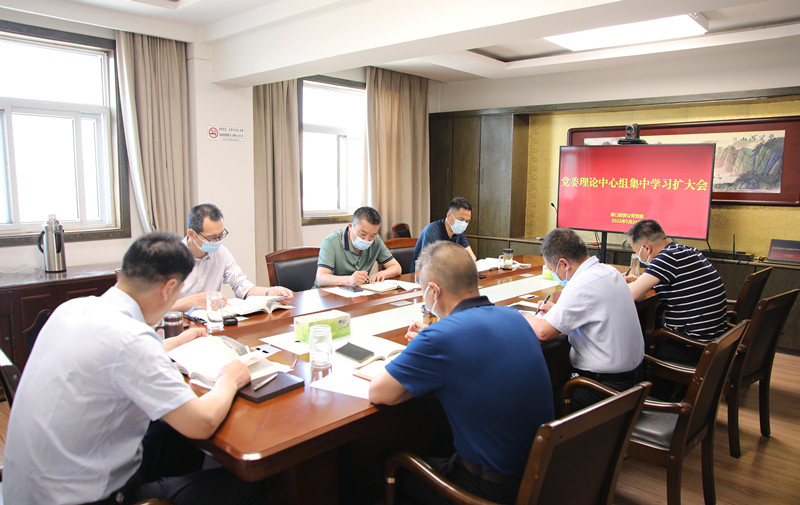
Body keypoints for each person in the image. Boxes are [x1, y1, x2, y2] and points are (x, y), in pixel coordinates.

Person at [3, 232, 267, 505]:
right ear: (168, 288)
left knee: (173, 435)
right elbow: (202, 423)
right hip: (85, 498)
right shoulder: (132, 340)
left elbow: (112, 357)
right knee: (256, 485)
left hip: (34, 487)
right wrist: (229, 379)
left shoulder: (73, 309)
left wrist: (176, 342)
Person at [370, 241, 553, 505]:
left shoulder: (439, 337)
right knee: (440, 438)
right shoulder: (515, 317)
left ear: (433, 290)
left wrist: (425, 346)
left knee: (382, 463)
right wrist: (432, 342)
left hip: (487, 491)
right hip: (540, 475)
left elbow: (379, 393)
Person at [523, 228, 643, 411]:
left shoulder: (581, 285)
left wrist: (523, 315)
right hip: (632, 382)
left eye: (551, 269)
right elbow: (593, 311)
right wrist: (557, 311)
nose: (554, 274)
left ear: (563, 263)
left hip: (601, 390)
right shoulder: (609, 271)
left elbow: (543, 332)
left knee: (533, 403)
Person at [625, 219, 728, 364]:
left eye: (636, 252)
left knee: (632, 343)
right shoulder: (687, 251)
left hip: (691, 346)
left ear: (646, 248)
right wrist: (640, 281)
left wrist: (621, 283)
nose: (638, 256)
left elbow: (632, 295)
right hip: (715, 341)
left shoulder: (665, 259)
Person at [173, 203, 292, 311]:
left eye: (221, 235)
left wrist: (271, 292)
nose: (218, 241)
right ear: (192, 234)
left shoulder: (221, 253)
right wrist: (193, 301)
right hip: (178, 323)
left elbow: (241, 285)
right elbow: (161, 307)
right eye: (212, 238)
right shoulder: (171, 257)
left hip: (211, 320)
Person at [315, 206, 402, 287]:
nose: (367, 240)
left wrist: (380, 274)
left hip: (358, 292)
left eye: (372, 235)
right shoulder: (331, 242)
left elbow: (396, 267)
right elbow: (321, 278)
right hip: (327, 294)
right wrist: (349, 280)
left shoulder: (376, 241)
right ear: (350, 227)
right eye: (363, 234)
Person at [411, 196, 477, 272]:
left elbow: (472, 258)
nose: (463, 224)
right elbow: (430, 265)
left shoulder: (459, 232)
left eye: (467, 221)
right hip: (422, 275)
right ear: (449, 216)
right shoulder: (431, 231)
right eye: (461, 220)